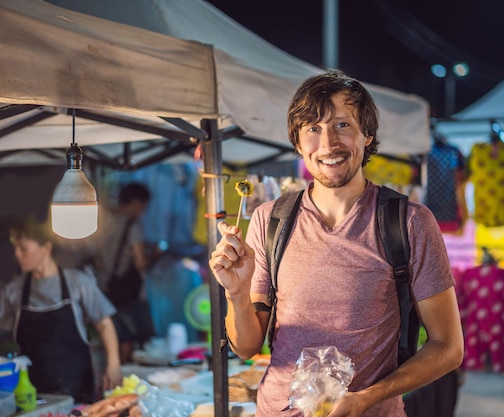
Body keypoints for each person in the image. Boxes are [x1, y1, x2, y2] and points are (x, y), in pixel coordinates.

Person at [209, 70, 464, 417]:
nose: (328, 144)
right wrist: (236, 294)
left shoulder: (409, 222)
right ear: (298, 143)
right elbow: (246, 347)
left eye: (342, 125)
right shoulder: (270, 219)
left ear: (367, 134)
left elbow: (448, 347)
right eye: (313, 129)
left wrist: (367, 397)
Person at [0, 215, 122, 403]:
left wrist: (113, 364)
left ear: (46, 248)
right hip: (30, 396)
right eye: (14, 248)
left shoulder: (78, 283)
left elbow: (104, 323)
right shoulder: (13, 291)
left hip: (77, 392)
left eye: (23, 248)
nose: (16, 254)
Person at [90, 182, 154, 364]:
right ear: (135, 202)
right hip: (129, 292)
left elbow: (97, 259)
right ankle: (127, 376)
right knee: (131, 338)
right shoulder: (134, 226)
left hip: (105, 287)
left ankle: (115, 373)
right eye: (143, 206)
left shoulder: (102, 222)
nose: (143, 210)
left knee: (115, 333)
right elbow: (140, 263)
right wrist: (156, 255)